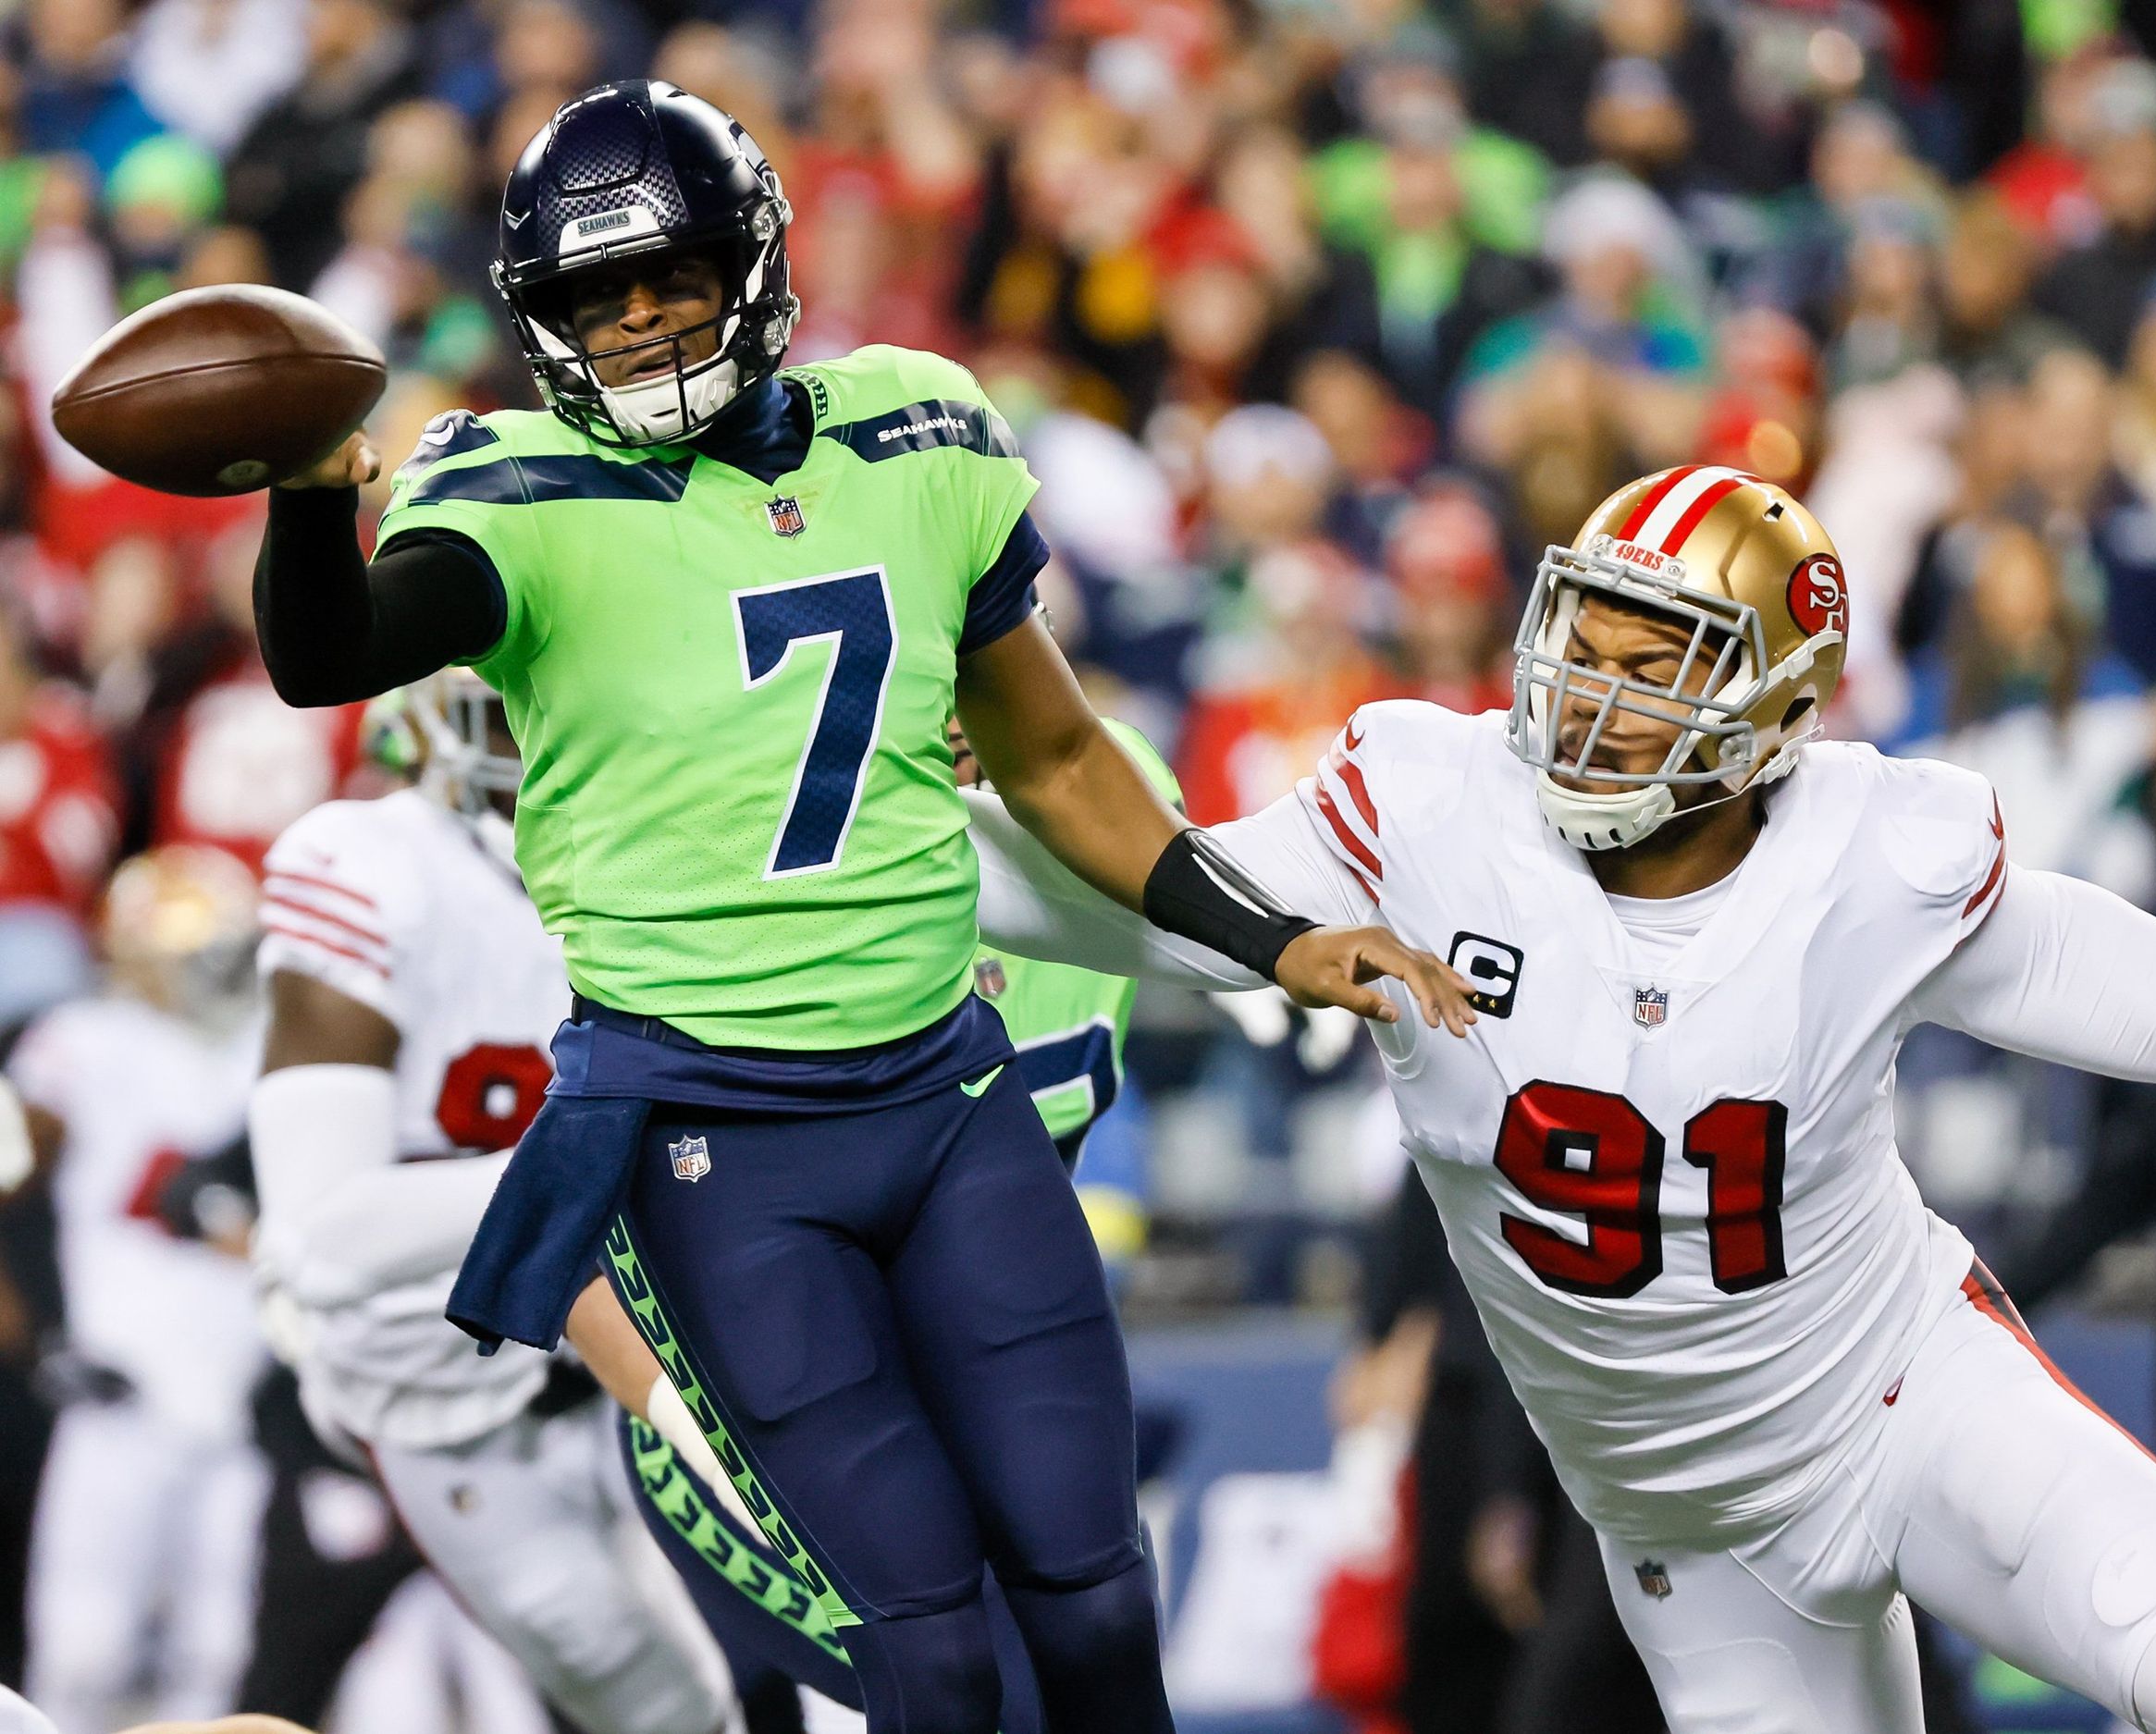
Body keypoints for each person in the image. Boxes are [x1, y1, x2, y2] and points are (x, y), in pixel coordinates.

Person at [250, 80, 1471, 1734]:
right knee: (930, 1641)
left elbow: (1054, 756)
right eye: (592, 296)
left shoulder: (918, 431)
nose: (635, 318)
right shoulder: (511, 487)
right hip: (716, 1136)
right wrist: (312, 492)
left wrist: (1266, 933)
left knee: (1096, 1599)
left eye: (668, 274)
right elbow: (330, 656)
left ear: (750, 261)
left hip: (944, 1093)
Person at [1105, 463, 2156, 1733]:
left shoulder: (1869, 855)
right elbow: (1148, 886)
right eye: (1588, 634)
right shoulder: (1432, 808)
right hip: (1694, 1536)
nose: (1590, 691)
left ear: (1776, 706)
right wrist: (919, 835)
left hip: (1911, 1404)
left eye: (1654, 663)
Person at [244, 669, 775, 1734]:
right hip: (446, 1395)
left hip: (655, 1339)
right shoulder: (370, 864)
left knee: (809, 1671)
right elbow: (319, 1236)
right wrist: (593, 1175)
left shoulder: (692, 843)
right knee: (656, 1706)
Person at [6, 847, 267, 1734]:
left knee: (220, 1656)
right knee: (82, 1650)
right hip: (122, 1392)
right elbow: (9, 1165)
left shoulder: (278, 1040)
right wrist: (28, 1324)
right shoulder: (83, 1042)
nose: (220, 970)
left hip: (246, 1400)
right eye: (202, 950)